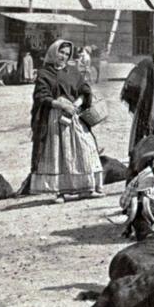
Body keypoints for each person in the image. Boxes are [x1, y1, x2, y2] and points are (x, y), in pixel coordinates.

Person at [25, 39, 104, 202]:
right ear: (54, 52)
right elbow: (41, 96)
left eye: (67, 54)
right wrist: (60, 104)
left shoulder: (73, 71)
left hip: (73, 115)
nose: (64, 56)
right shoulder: (44, 73)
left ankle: (87, 188)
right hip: (55, 117)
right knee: (59, 155)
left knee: (85, 148)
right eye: (61, 52)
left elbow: (85, 90)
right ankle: (61, 191)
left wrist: (76, 104)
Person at [121, 35, 154, 154]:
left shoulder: (145, 63)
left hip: (145, 110)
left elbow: (130, 85)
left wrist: (135, 103)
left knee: (143, 137)